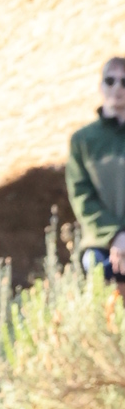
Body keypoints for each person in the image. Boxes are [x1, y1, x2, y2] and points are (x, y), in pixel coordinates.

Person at [68, 58, 125, 283]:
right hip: (101, 245)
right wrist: (116, 235)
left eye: (124, 82)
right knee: (98, 268)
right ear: (101, 86)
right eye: (110, 81)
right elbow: (82, 197)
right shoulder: (83, 141)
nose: (117, 87)